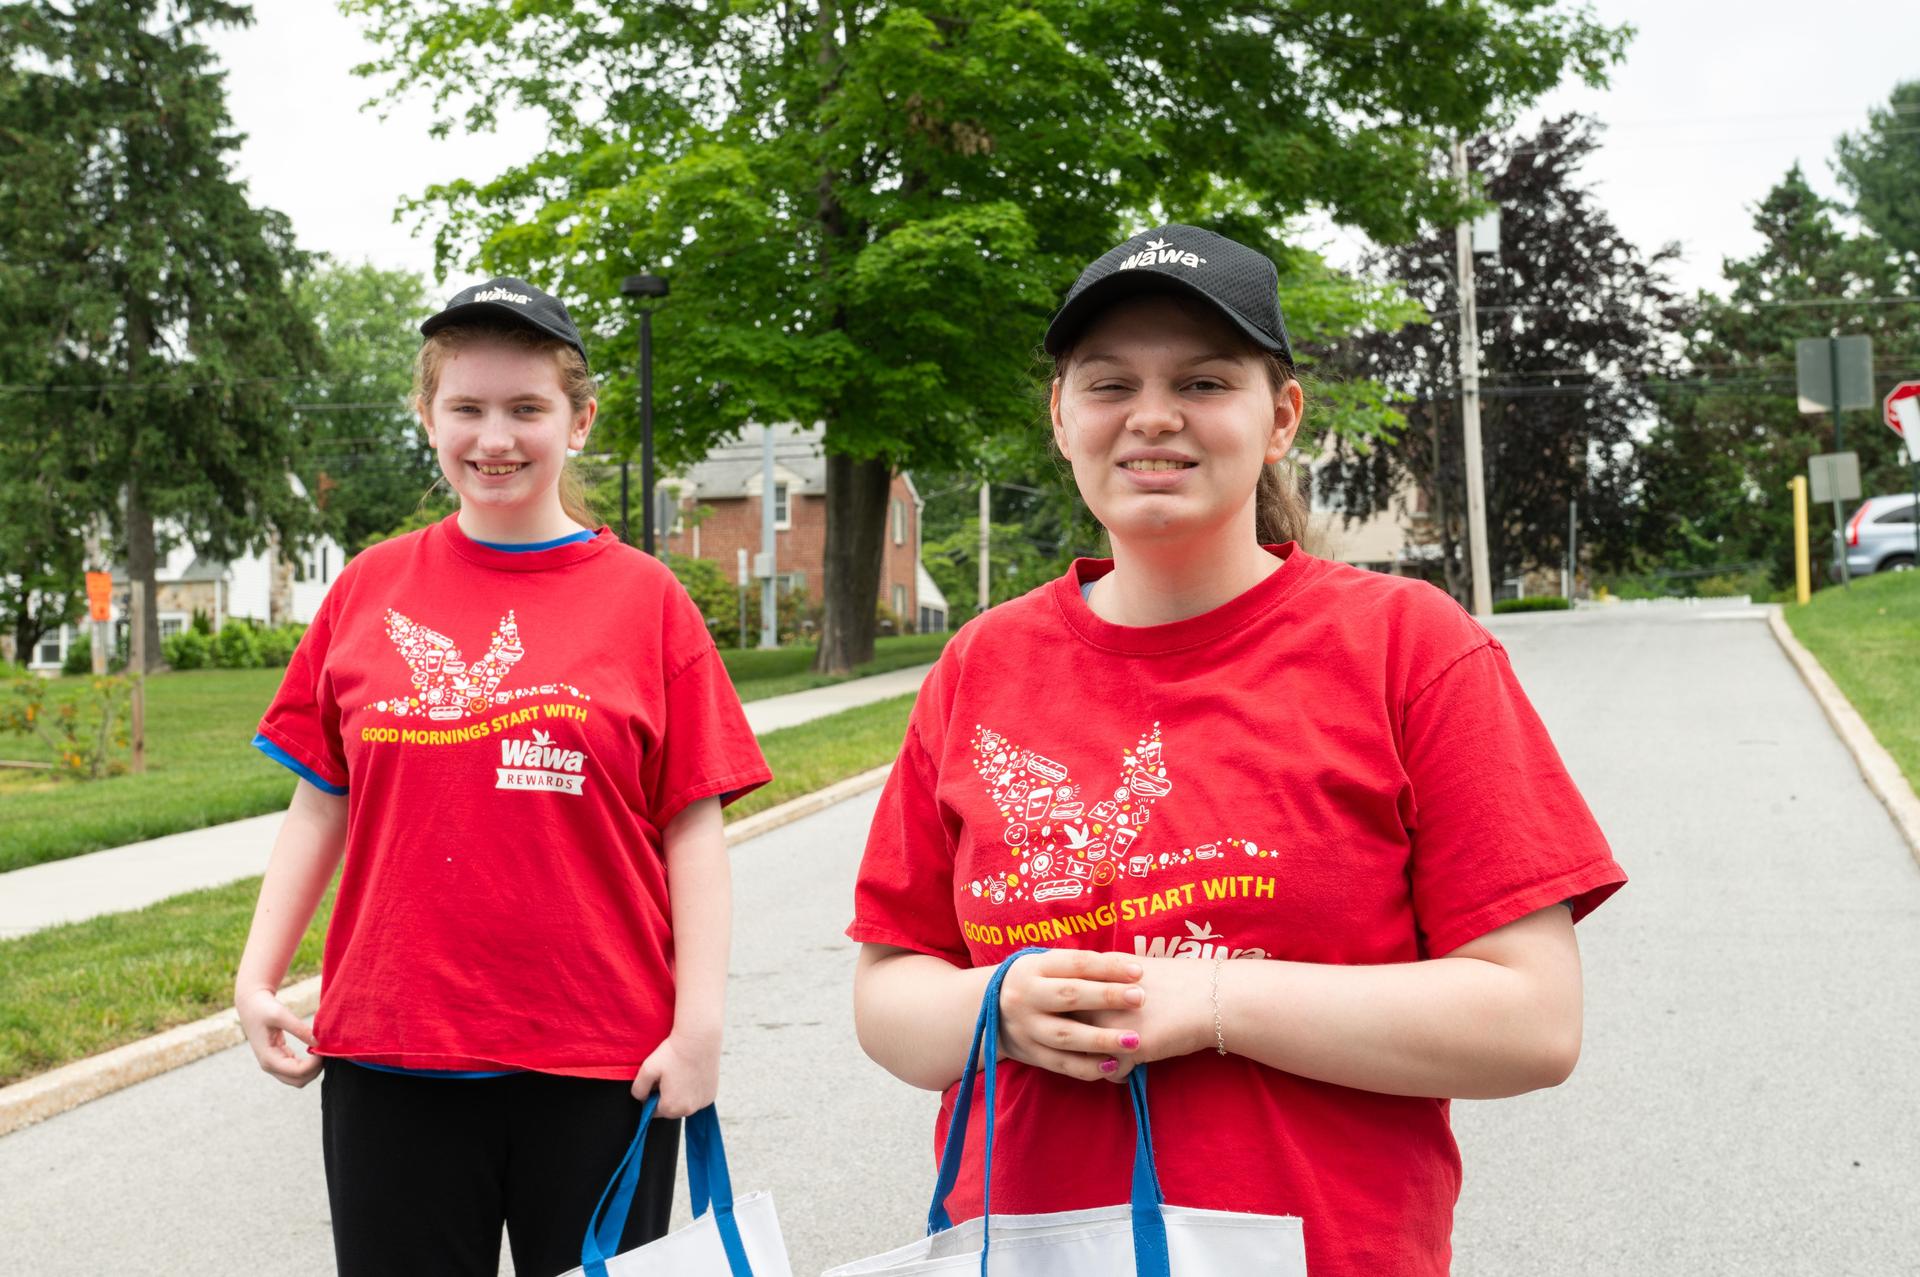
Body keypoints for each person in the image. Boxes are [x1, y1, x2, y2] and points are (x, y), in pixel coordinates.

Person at [848, 226, 1626, 1276]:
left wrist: (1211, 1003)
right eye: (1110, 382)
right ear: (1062, 418)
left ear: (1281, 417)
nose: (1153, 415)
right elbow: (891, 991)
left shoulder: (1407, 645)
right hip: (1028, 1250)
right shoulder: (982, 664)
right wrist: (997, 1006)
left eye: (1205, 380)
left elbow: (1534, 1019)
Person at [234, 277, 771, 1277]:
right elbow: (321, 800)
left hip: (603, 1058)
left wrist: (699, 1024)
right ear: (427, 416)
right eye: (466, 408)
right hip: (391, 1050)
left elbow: (691, 831)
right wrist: (257, 973)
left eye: (527, 408)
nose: (495, 437)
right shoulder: (367, 588)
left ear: (579, 420)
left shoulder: (647, 600)